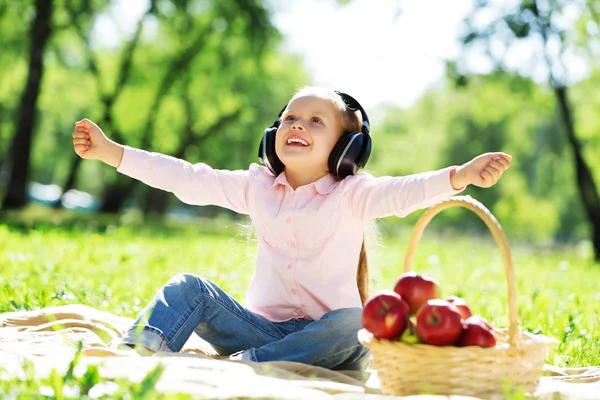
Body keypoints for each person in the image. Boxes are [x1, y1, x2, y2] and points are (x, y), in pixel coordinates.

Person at [71, 86, 511, 371]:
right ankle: (137, 352)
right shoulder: (255, 186)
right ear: (272, 137)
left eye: (315, 121)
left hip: (329, 343)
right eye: (289, 118)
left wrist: (461, 174)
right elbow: (189, 177)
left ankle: (252, 366)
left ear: (346, 149)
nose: (296, 124)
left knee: (357, 320)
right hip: (259, 331)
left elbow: (405, 193)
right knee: (190, 287)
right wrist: (113, 153)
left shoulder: (354, 192)